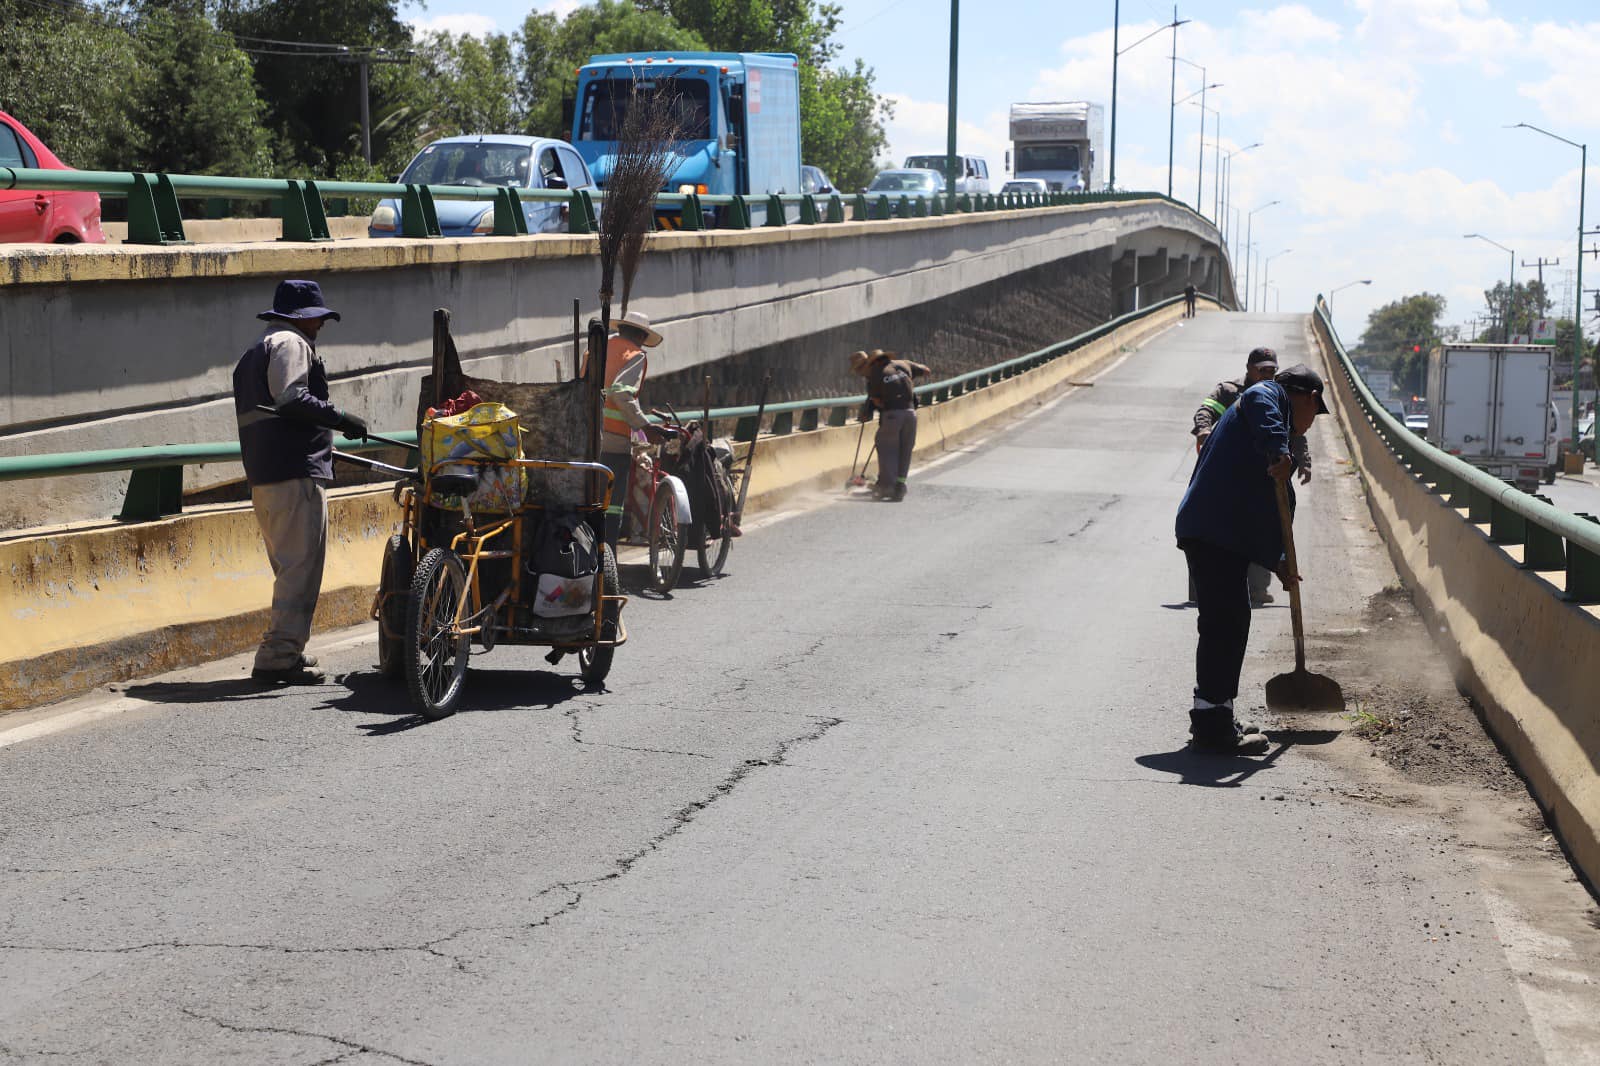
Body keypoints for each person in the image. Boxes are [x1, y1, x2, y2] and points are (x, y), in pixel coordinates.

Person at [1174, 364, 1330, 755]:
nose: (1310, 424)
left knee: (1230, 623)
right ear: (1309, 398)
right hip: (1213, 532)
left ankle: (1218, 716)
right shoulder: (1267, 398)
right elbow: (1261, 396)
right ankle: (1211, 726)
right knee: (1223, 625)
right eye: (1315, 412)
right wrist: (1280, 449)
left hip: (1219, 534)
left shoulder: (1268, 432)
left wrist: (1279, 561)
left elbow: (1274, 508)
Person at [232, 280, 369, 685]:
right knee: (301, 568)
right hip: (294, 473)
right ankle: (277, 657)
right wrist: (339, 417)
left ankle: (287, 649)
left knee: (289, 567)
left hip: (266, 473)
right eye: (317, 317)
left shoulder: (255, 350)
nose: (321, 325)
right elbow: (291, 398)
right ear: (301, 317)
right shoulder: (290, 344)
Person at [1191, 346, 1314, 607]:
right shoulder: (1229, 392)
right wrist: (1204, 430)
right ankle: (1204, 591)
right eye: (1263, 370)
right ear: (1249, 369)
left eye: (1272, 371)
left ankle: (1257, 589)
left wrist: (1302, 460)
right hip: (1225, 474)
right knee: (1209, 532)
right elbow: (1205, 411)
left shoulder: (1281, 399)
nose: (1268, 375)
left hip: (1259, 475)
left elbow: (1293, 432)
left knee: (1259, 525)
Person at [587, 310, 667, 548]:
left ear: (620, 329)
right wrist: (645, 426)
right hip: (613, 441)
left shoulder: (595, 349)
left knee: (588, 504)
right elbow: (621, 393)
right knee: (610, 508)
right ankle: (607, 565)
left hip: (585, 436)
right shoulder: (635, 355)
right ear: (642, 336)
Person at [851, 348, 932, 501]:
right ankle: (900, 485)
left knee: (886, 447)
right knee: (905, 449)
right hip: (911, 413)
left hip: (893, 414)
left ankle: (886, 486)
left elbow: (876, 401)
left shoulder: (876, 373)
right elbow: (926, 370)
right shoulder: (903, 364)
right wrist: (905, 383)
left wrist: (874, 411)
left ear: (872, 362)